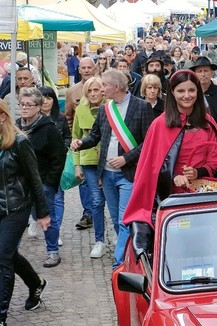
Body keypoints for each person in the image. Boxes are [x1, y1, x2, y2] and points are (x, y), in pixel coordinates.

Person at [123, 69, 217, 260]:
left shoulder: (208, 123)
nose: (187, 96)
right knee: (177, 254)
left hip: (203, 200)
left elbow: (215, 159)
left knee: (206, 251)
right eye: (181, 91)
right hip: (171, 203)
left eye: (191, 90)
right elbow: (150, 168)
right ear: (172, 93)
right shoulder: (160, 125)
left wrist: (197, 172)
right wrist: (173, 175)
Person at [70, 69, 153, 269]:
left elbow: (148, 143)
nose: (102, 89)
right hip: (107, 174)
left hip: (129, 173)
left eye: (105, 85)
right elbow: (96, 136)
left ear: (116, 87)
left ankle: (119, 263)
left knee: (125, 219)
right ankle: (127, 253)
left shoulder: (141, 107)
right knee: (116, 219)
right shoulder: (104, 109)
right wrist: (81, 142)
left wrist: (126, 158)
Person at [0, 100, 50, 325]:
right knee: (9, 254)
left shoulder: (19, 142)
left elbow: (34, 179)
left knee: (2, 258)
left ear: (3, 117)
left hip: (16, 208)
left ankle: (1, 316)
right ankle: (36, 283)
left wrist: (42, 213)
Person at [16, 87, 67, 267]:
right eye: (22, 104)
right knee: (16, 218)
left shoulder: (48, 128)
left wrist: (49, 183)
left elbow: (59, 156)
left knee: (46, 216)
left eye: (29, 104)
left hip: (42, 182)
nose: (24, 107)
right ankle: (10, 251)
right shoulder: (16, 127)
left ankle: (53, 252)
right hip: (20, 184)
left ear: (38, 107)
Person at [71, 77, 108, 258]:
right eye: (90, 91)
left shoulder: (111, 106)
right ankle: (100, 240)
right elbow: (75, 138)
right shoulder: (81, 109)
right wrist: (77, 165)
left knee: (113, 200)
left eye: (96, 90)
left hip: (110, 159)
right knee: (96, 200)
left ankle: (118, 234)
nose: (93, 94)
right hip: (89, 161)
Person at [32, 86, 71, 246]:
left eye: (49, 98)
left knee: (58, 198)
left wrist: (63, 147)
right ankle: (37, 219)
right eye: (44, 97)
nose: (47, 101)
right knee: (38, 198)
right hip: (38, 167)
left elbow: (68, 137)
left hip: (56, 165)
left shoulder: (60, 118)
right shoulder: (34, 119)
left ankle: (56, 230)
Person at [64, 57, 96, 230]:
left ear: (94, 68)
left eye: (89, 67)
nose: (86, 70)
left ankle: (97, 209)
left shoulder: (101, 87)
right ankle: (88, 212)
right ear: (79, 70)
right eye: (83, 67)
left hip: (101, 144)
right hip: (82, 143)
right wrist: (73, 138)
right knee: (83, 179)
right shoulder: (72, 91)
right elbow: (68, 116)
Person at [190, 57, 217, 140]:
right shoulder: (192, 92)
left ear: (212, 73)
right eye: (199, 71)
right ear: (195, 74)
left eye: (206, 71)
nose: (203, 74)